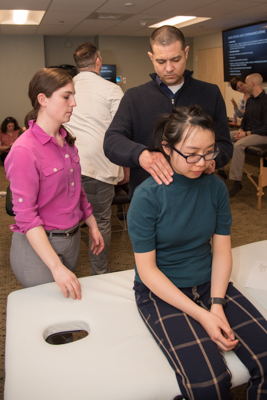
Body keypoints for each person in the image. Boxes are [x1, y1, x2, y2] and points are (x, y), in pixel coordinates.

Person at [127, 105, 267, 400]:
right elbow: (148, 271)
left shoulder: (215, 188)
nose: (202, 162)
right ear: (167, 148)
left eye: (209, 152)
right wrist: (203, 316)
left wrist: (216, 304)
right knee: (209, 383)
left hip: (208, 283)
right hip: (161, 290)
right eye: (191, 153)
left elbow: (222, 250)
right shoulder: (147, 197)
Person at [5, 68, 104, 300]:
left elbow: (75, 188)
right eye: (66, 96)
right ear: (43, 99)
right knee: (51, 323)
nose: (74, 103)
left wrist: (91, 223)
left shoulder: (65, 139)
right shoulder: (24, 150)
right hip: (37, 247)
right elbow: (26, 216)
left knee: (65, 311)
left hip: (70, 239)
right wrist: (56, 267)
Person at [104, 25, 232, 199]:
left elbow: (224, 144)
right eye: (161, 61)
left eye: (176, 59)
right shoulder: (134, 97)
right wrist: (139, 154)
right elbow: (111, 142)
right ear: (151, 57)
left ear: (186, 53)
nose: (169, 68)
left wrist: (212, 160)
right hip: (149, 197)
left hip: (197, 195)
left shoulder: (210, 93)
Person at [65, 42, 124, 275]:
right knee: (100, 222)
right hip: (98, 169)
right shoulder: (111, 90)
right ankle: (98, 275)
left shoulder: (66, 88)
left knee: (64, 222)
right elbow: (121, 130)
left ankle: (61, 273)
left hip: (67, 167)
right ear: (98, 61)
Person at [229, 73, 267, 197]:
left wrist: (246, 134)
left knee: (238, 145)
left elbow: (265, 127)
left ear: (253, 84)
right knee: (225, 136)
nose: (245, 85)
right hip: (248, 133)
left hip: (261, 135)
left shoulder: (265, 101)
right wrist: (241, 130)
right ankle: (217, 169)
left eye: (246, 82)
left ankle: (237, 182)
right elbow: (244, 119)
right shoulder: (250, 100)